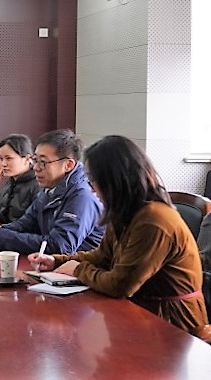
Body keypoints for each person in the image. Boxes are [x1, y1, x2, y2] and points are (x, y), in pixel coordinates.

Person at [29, 135, 211, 339]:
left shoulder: (154, 219)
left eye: (94, 180)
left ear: (114, 181)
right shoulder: (125, 212)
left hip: (173, 326)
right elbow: (102, 257)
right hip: (142, 313)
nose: (92, 188)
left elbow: (121, 285)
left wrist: (78, 270)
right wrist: (57, 261)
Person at [0, 129, 104, 254]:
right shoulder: (49, 189)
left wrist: (2, 237)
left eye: (43, 162)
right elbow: (25, 224)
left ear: (68, 165)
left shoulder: (82, 197)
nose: (36, 168)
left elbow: (60, 246)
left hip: (78, 265)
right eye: (36, 160)